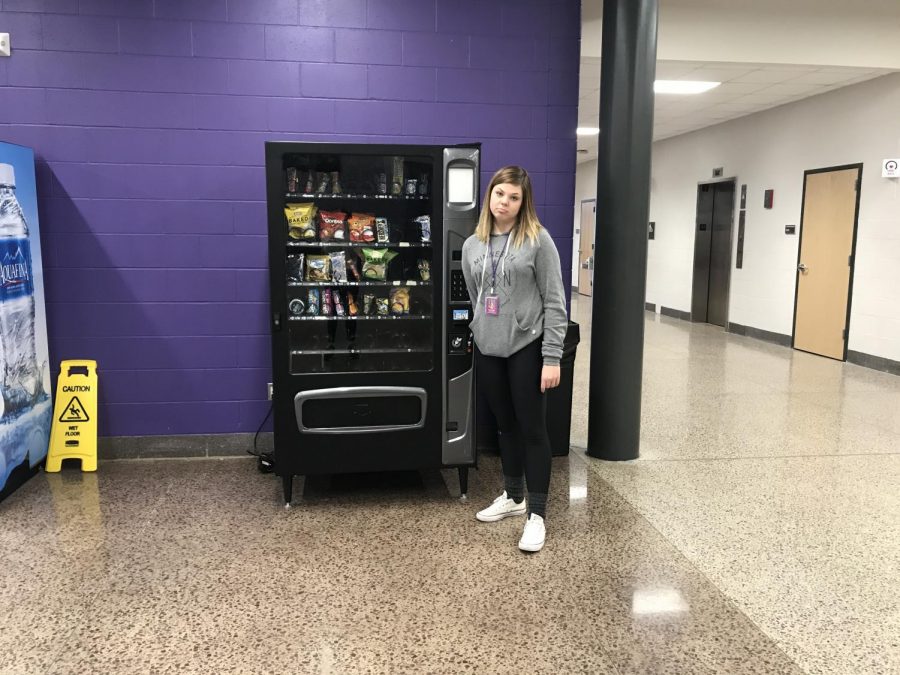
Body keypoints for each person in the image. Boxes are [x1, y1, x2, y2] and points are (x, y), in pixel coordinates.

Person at [461, 165, 568, 552]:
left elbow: (555, 301)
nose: (504, 202)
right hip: (489, 347)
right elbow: (476, 297)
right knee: (505, 426)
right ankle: (513, 496)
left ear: (524, 203)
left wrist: (551, 357)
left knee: (532, 430)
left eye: (514, 197)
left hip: (527, 346)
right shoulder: (472, 245)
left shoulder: (538, 241)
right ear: (489, 195)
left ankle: (536, 515)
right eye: (500, 194)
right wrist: (478, 329)